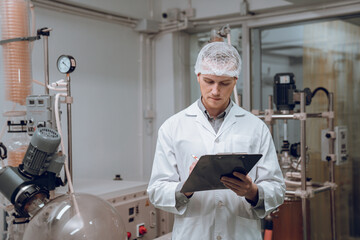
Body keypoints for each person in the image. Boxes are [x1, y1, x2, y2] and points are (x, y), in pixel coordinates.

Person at [147, 41, 285, 240]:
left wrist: (252, 191)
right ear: (198, 77)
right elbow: (157, 190)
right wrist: (186, 188)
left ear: (235, 80)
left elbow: (277, 189)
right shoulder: (173, 127)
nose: (215, 91)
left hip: (240, 234)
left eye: (224, 83)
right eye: (209, 81)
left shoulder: (256, 127)